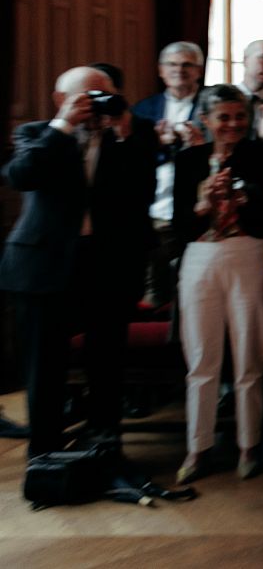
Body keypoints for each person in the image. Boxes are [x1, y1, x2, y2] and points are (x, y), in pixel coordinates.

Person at [2, 67, 156, 457]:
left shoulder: (127, 140)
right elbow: (21, 175)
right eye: (88, 96)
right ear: (61, 99)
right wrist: (64, 126)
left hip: (105, 265)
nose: (97, 104)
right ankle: (46, 455)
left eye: (105, 95)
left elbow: (143, 194)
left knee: (107, 364)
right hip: (43, 266)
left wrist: (124, 135)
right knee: (45, 367)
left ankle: (105, 445)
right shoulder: (38, 134)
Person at [172, 84, 263, 483]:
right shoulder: (187, 160)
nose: (233, 124)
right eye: (224, 117)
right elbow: (180, 227)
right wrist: (202, 203)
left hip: (248, 253)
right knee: (201, 358)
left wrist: (245, 199)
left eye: (239, 117)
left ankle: (249, 445)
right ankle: (197, 447)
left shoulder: (262, 155)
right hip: (200, 257)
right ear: (206, 120)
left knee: (250, 353)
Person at [133, 40, 206, 307]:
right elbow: (132, 162)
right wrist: (160, 147)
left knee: (195, 292)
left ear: (198, 70)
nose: (180, 70)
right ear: (161, 70)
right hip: (156, 210)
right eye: (172, 65)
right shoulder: (143, 110)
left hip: (199, 210)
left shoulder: (214, 104)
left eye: (187, 65)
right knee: (155, 291)